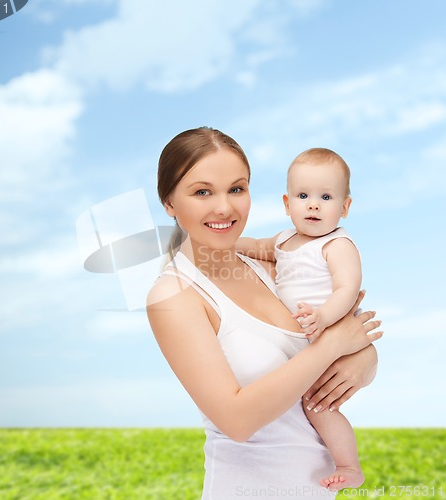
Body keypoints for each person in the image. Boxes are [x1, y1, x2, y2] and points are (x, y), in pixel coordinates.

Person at [146, 127, 382, 499]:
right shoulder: (173, 295)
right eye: (202, 192)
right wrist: (333, 346)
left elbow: (345, 332)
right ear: (169, 202)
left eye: (236, 189)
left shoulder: (273, 268)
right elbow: (237, 420)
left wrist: (366, 360)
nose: (224, 207)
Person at [235, 148, 364, 491]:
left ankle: (349, 465)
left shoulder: (337, 245)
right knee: (299, 395)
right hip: (303, 339)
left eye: (326, 196)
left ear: (345, 207)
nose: (313, 205)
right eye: (303, 195)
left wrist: (323, 316)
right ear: (286, 202)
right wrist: (229, 244)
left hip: (329, 333)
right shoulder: (284, 241)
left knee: (319, 405)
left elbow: (347, 289)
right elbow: (257, 245)